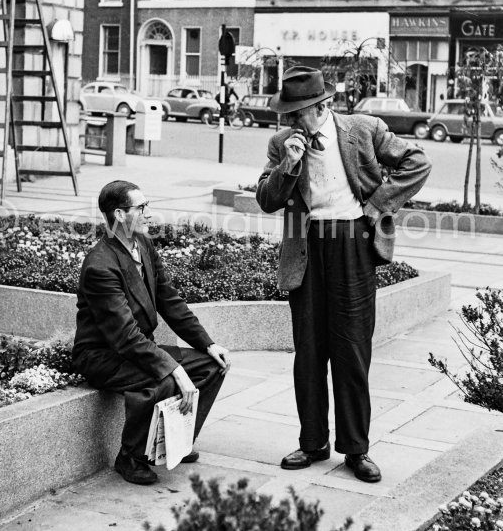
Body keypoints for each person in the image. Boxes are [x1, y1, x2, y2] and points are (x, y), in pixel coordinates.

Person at [255, 66, 431, 483]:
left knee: (352, 350)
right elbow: (266, 198)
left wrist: (378, 205)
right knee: (310, 351)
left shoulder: (363, 129)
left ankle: (356, 449)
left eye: (299, 113)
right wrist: (290, 165)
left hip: (354, 241)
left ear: (324, 106)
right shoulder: (282, 144)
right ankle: (312, 442)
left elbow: (417, 162)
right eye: (289, 114)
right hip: (308, 247)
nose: (292, 121)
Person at [73, 180, 230, 485]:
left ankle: (177, 442)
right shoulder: (100, 266)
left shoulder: (143, 244)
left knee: (213, 366)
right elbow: (125, 336)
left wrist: (208, 345)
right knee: (165, 378)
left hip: (137, 349)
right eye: (141, 207)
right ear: (119, 214)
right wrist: (175, 370)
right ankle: (130, 457)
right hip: (103, 356)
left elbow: (170, 301)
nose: (148, 214)